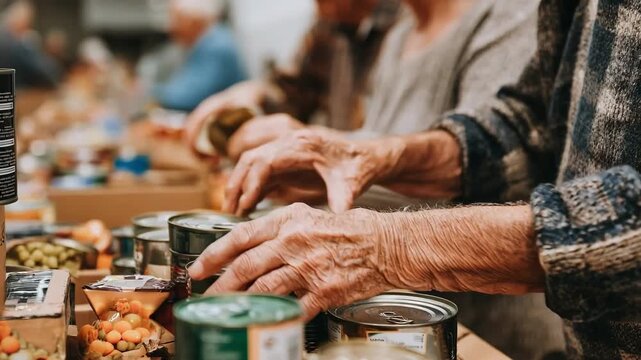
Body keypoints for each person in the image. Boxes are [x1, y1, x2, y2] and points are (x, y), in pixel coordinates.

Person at [190, 0, 641, 358]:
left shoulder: (504, 15)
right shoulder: (400, 28)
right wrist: (373, 156)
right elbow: (527, 128)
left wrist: (391, 245)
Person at [187, 0, 539, 210]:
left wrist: (330, 150)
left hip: (488, 326)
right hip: (408, 308)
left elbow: (492, 175)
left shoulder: (510, 17)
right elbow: (386, 181)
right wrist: (317, 175)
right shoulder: (402, 33)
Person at [185, 0, 401, 150]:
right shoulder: (328, 23)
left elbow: (413, 151)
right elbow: (295, 91)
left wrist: (328, 146)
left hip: (395, 207)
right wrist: (252, 95)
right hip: (333, 198)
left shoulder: (411, 24)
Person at [148, 0, 246, 112]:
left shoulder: (216, 46)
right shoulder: (206, 43)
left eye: (175, 18)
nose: (169, 27)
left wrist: (151, 92)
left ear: (193, 20)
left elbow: (187, 97)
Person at [0, 0, 60, 89]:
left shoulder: (9, 39)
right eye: (29, 20)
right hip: (18, 96)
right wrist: (31, 46)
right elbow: (46, 72)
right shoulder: (15, 44)